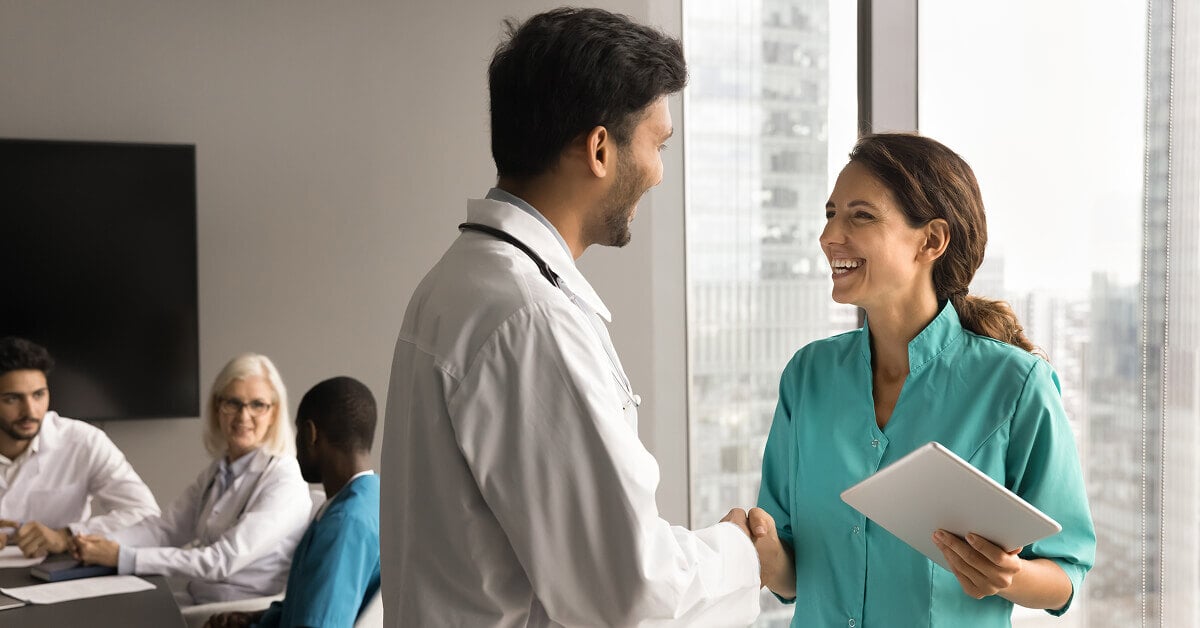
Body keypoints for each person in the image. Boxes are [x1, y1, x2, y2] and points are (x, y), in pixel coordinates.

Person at [381, 7, 762, 626]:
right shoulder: (528, 319)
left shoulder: (459, 283)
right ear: (600, 149)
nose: (660, 173)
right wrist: (743, 554)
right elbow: (628, 592)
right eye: (659, 146)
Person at [749, 133, 1096, 626]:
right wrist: (759, 546)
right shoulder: (807, 377)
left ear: (931, 240)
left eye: (860, 215)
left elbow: (1067, 570)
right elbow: (793, 576)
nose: (829, 236)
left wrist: (1007, 576)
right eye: (830, 213)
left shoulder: (1016, 386)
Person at [74, 353, 311, 605]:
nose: (244, 416)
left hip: (235, 611)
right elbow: (166, 530)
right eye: (233, 403)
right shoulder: (220, 469)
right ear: (217, 407)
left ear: (274, 413)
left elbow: (221, 560)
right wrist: (99, 545)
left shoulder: (284, 479)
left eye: (257, 405)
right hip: (198, 596)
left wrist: (123, 557)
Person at [204, 376, 381, 628]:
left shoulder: (344, 524)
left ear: (310, 434)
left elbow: (318, 624)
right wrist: (254, 619)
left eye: (297, 433)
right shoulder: (370, 499)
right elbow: (311, 602)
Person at [0, 336, 159, 557]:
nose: (30, 411)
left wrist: (67, 535)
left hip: (59, 577)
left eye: (38, 395)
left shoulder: (84, 441)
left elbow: (145, 514)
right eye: (12, 399)